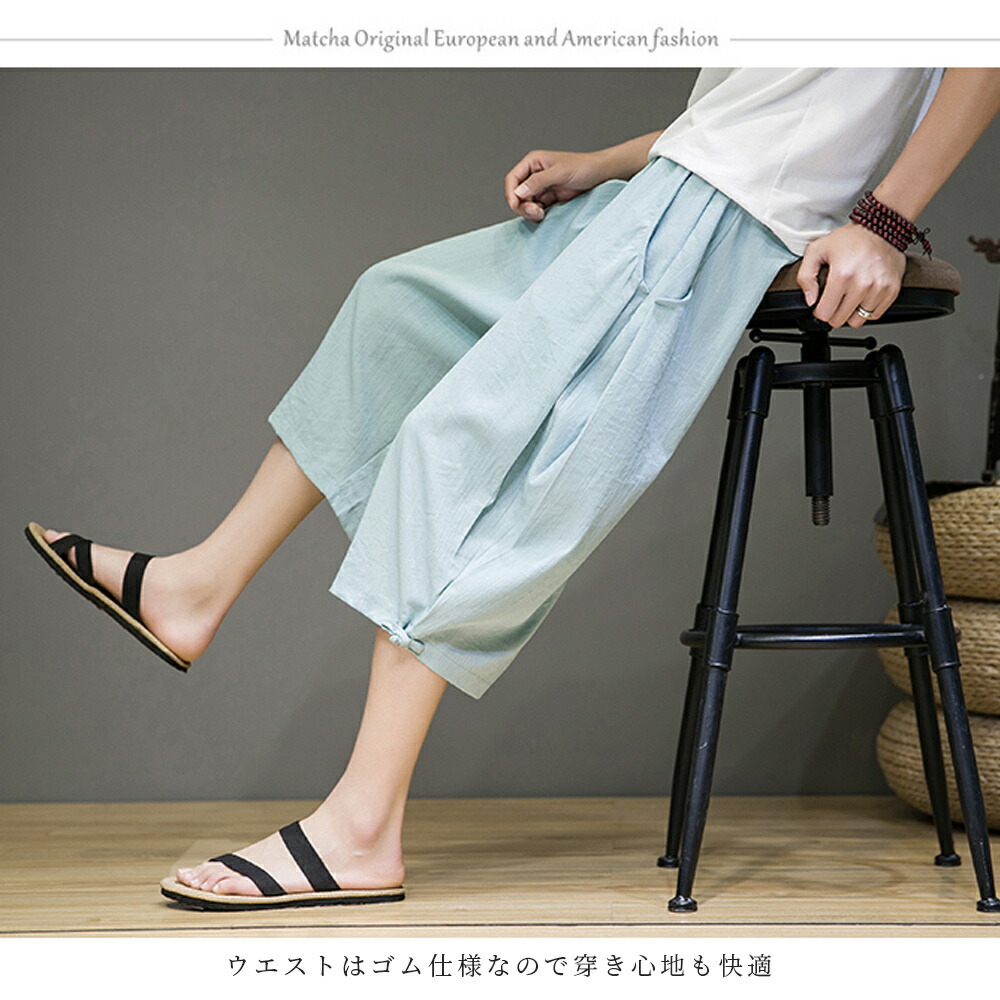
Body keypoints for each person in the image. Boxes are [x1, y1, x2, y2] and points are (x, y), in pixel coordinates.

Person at [25, 68, 1000, 910]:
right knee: (395, 309)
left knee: (460, 457)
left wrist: (883, 221)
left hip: (720, 227)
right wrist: (607, 162)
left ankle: (361, 828)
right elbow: (756, 112)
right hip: (664, 192)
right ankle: (197, 586)